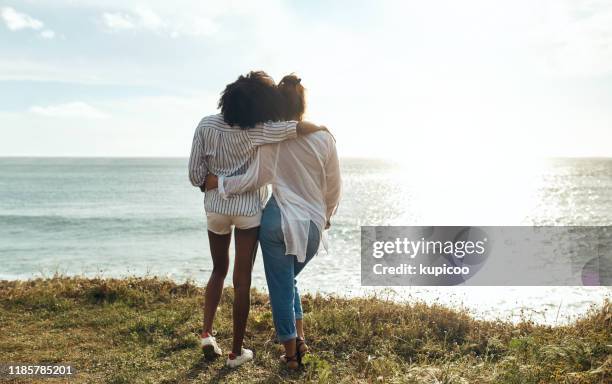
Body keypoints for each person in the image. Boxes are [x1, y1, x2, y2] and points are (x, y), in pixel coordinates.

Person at [188, 71, 326, 368]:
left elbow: (195, 176)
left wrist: (210, 183)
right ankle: (236, 353)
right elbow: (295, 128)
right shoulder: (260, 130)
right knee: (242, 280)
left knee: (217, 269)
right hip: (248, 210)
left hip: (215, 209)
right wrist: (321, 127)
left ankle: (206, 332)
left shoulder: (206, 124)